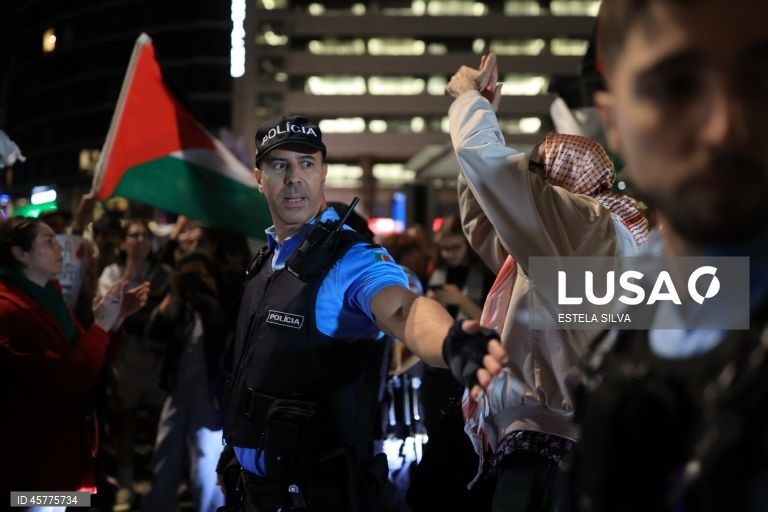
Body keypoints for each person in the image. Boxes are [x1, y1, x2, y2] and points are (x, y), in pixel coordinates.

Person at [222, 115, 506, 512]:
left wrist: (451, 340)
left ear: (323, 173)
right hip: (250, 492)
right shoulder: (267, 259)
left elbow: (403, 309)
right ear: (259, 177)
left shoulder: (351, 259)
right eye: (279, 165)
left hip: (315, 495)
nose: (293, 177)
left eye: (306, 164)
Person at [564, 1, 768, 511]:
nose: (725, 128)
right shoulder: (628, 314)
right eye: (676, 86)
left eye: (764, 80)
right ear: (613, 121)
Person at [445, 53, 649, 511]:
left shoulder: (586, 226)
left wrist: (468, 103)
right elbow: (488, 227)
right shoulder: (571, 242)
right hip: (553, 438)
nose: (530, 176)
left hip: (552, 447)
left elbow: (496, 173)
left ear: (568, 178)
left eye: (539, 168)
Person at [0, 217, 149, 502]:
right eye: (48, 242)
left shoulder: (48, 296)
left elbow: (91, 358)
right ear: (20, 254)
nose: (60, 249)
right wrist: (101, 326)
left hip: (62, 453)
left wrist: (115, 320)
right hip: (30, 465)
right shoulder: (8, 310)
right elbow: (67, 374)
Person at [142, 252, 230, 512]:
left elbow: (221, 326)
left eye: (199, 275)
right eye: (188, 276)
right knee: (165, 453)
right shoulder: (179, 304)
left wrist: (209, 294)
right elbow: (154, 331)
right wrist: (174, 294)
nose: (194, 282)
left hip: (210, 391)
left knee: (206, 460)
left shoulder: (221, 300)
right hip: (177, 390)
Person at [97, 218, 172, 507]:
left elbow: (167, 314)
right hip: (124, 361)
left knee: (158, 425)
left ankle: (157, 484)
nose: (139, 239)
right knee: (124, 422)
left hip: (155, 361)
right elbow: (109, 313)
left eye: (143, 235)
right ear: (124, 241)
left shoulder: (163, 273)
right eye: (133, 235)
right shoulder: (112, 272)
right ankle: (126, 486)